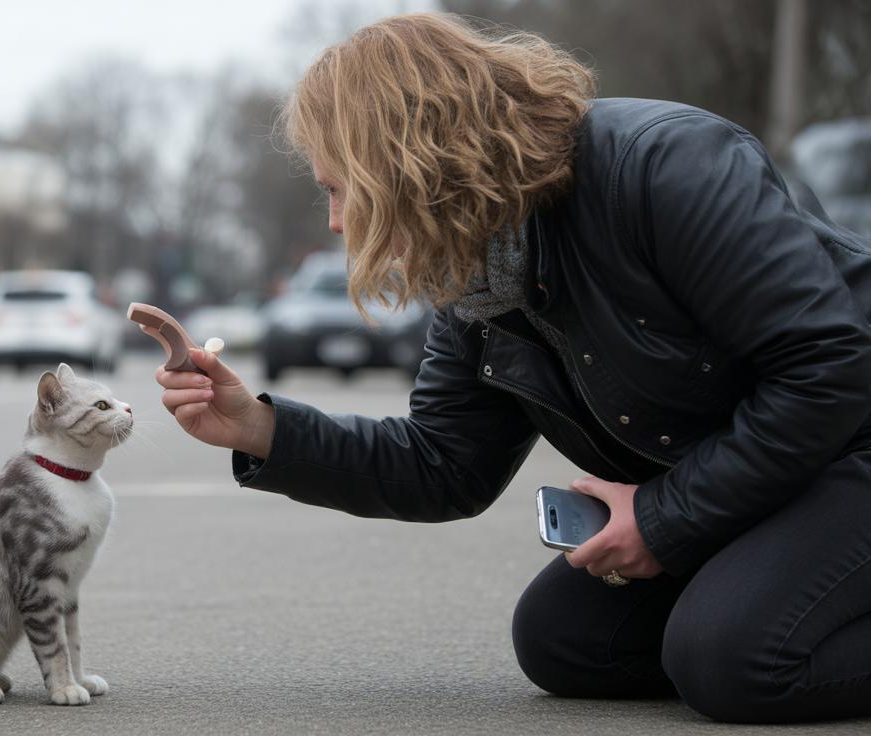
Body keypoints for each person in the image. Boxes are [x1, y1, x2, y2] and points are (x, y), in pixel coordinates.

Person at [150, 13, 871, 725]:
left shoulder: (664, 164)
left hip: (849, 439)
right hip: (772, 473)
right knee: (567, 641)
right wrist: (261, 428)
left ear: (405, 164)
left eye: (340, 189)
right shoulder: (476, 272)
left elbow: (828, 367)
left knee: (732, 659)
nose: (337, 222)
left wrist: (663, 518)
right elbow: (444, 463)